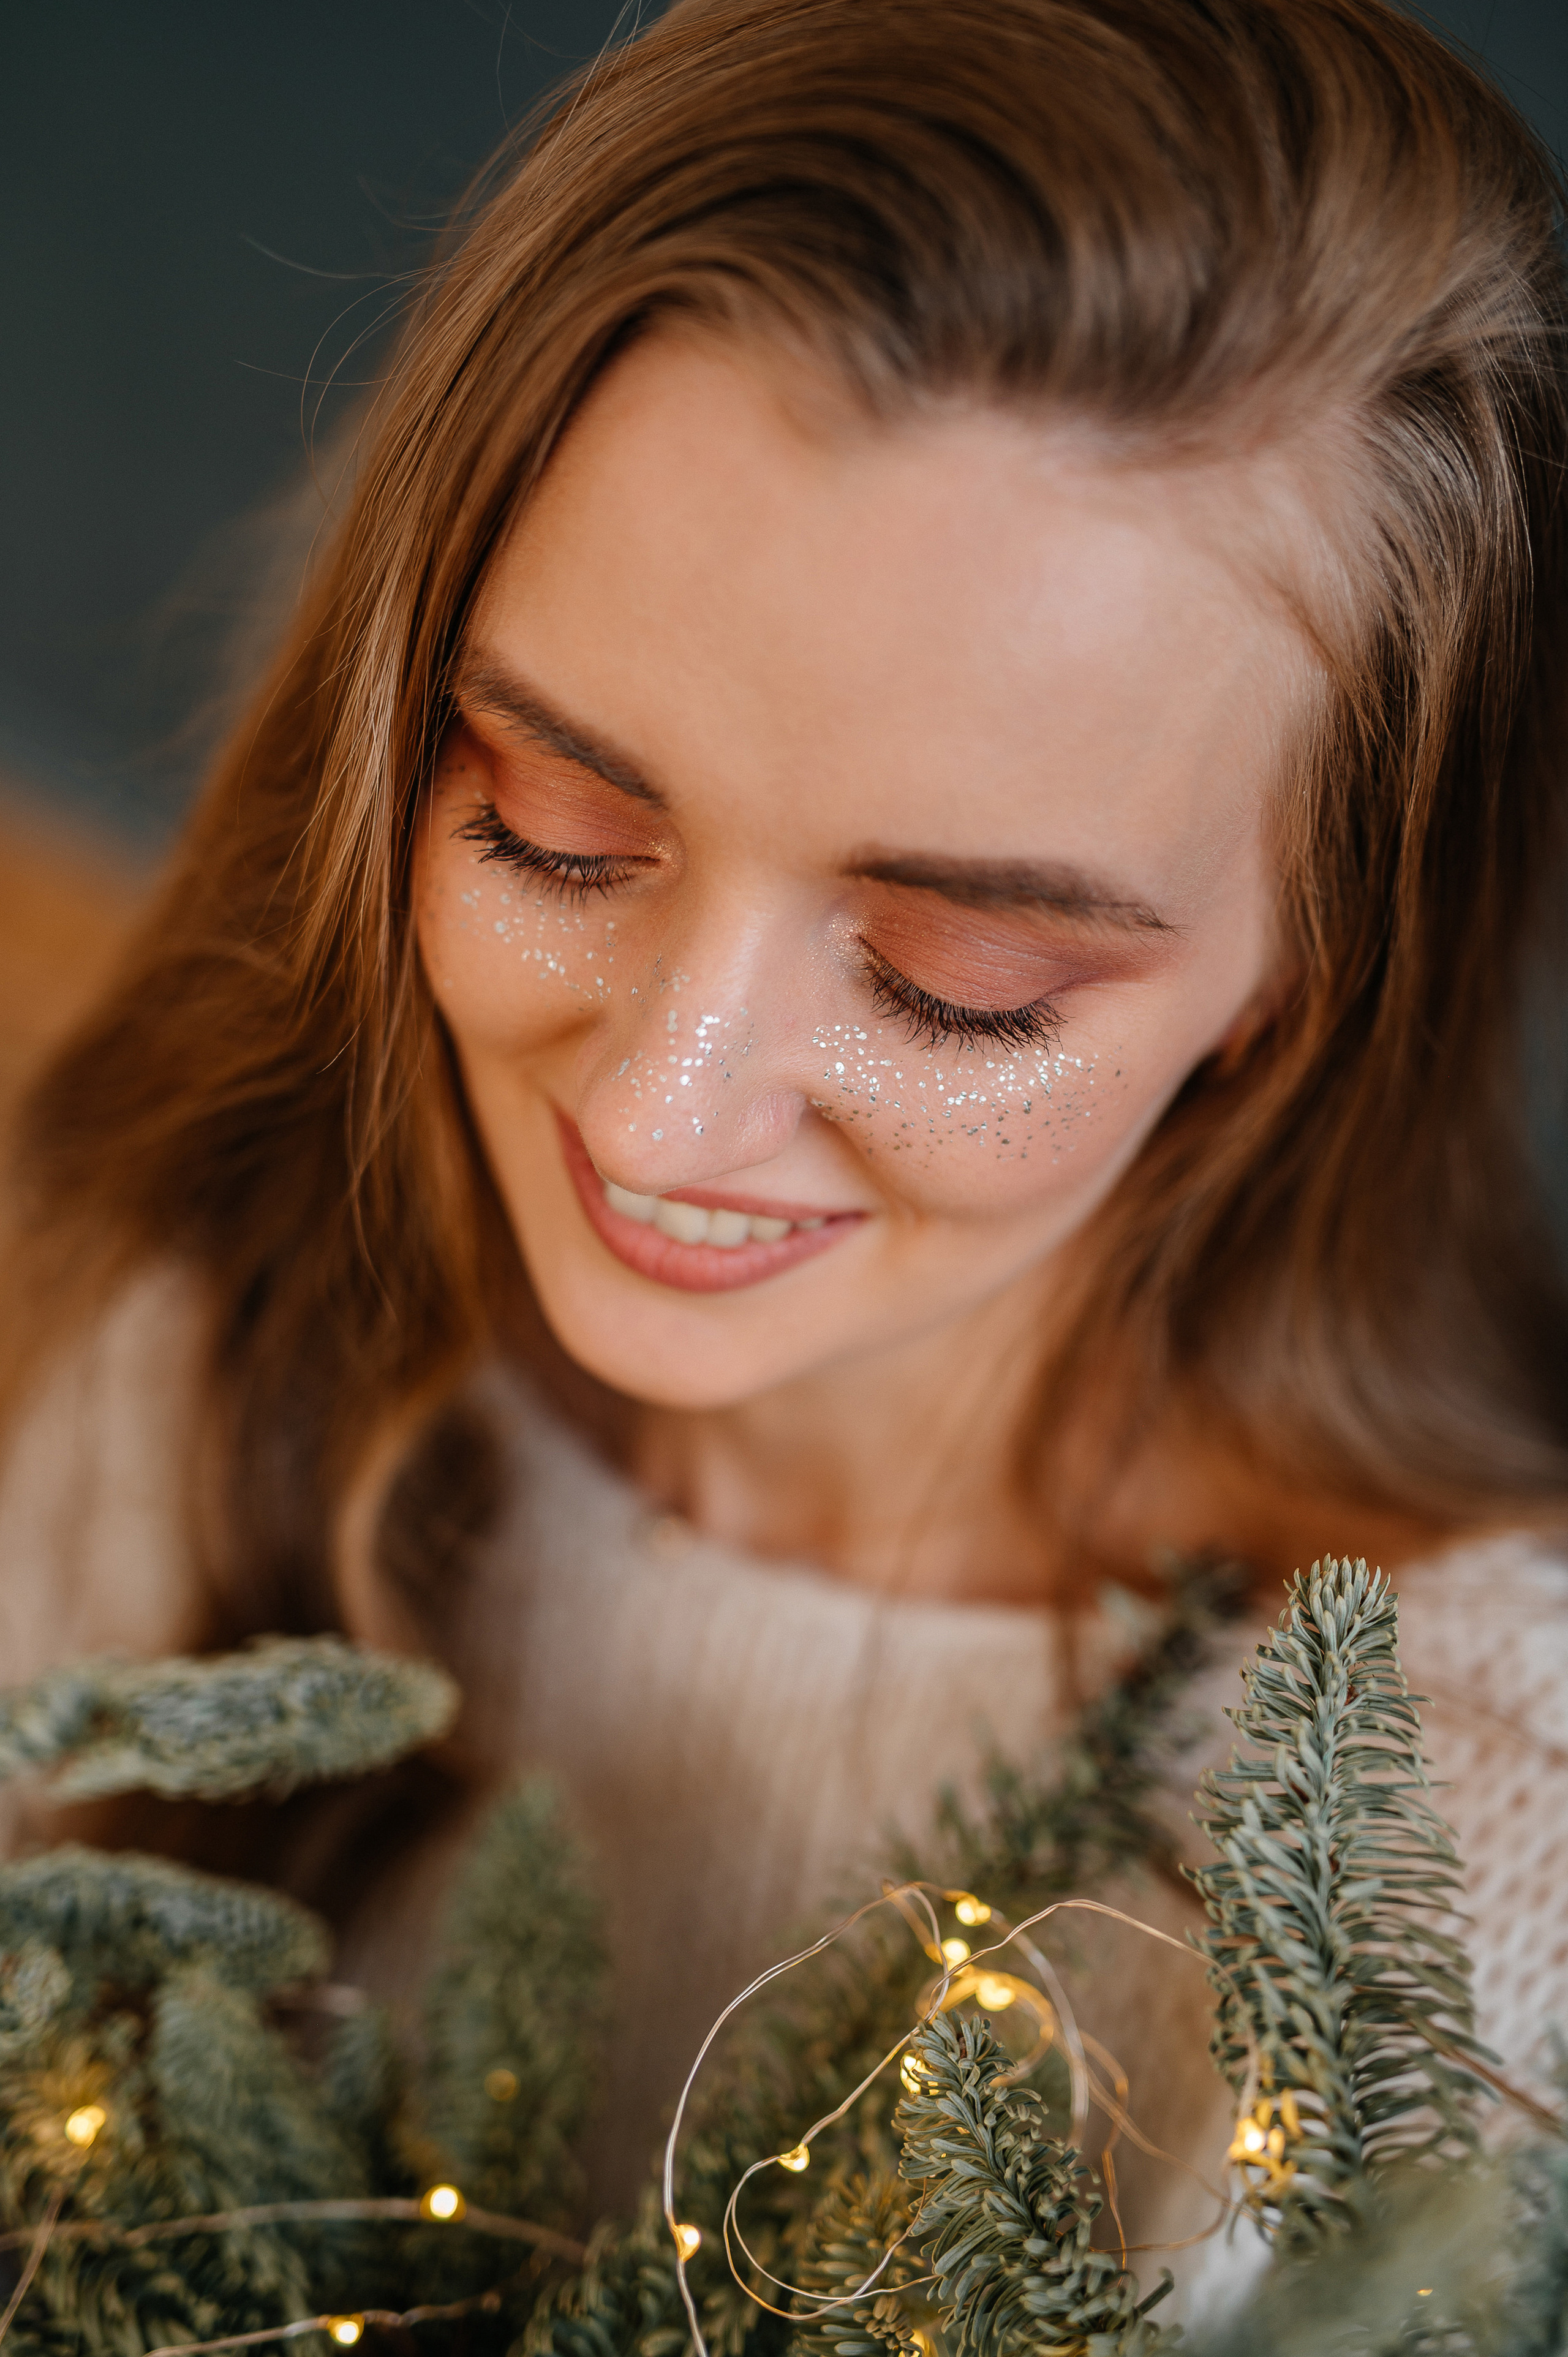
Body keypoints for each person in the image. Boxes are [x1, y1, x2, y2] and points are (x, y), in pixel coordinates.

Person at [4, 0, 1568, 2314]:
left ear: (1310, 977)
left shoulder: (1470, 1859)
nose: (655, 1104)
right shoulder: (190, 1343)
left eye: (959, 979)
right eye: (551, 826)